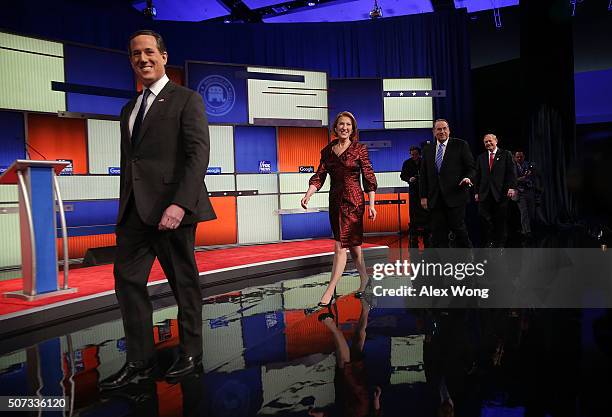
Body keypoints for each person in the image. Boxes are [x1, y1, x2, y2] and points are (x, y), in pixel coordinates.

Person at [100, 30, 216, 390]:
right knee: (127, 283)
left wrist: (180, 204)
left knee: (184, 284)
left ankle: (191, 355)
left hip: (173, 210)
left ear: (164, 56)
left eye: (149, 52)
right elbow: (132, 163)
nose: (143, 59)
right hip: (135, 213)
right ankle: (139, 362)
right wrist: (124, 209)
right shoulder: (128, 109)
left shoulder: (186, 99)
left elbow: (198, 155)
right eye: (135, 54)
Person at [301, 111, 377, 307]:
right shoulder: (327, 151)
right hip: (335, 201)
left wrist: (371, 204)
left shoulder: (360, 148)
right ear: (335, 128)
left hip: (354, 202)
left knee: (340, 245)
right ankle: (365, 280)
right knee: (353, 245)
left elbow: (368, 177)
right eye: (341, 124)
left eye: (348, 125)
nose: (345, 127)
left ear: (353, 129)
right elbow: (319, 176)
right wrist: (309, 193)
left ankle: (329, 290)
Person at [419, 119, 475, 248]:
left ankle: (469, 259)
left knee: (459, 230)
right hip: (435, 198)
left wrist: (467, 178)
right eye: (439, 129)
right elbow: (424, 175)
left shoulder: (461, 145)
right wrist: (423, 197)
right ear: (434, 132)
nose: (442, 131)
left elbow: (471, 168)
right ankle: (443, 264)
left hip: (455, 196)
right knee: (438, 234)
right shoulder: (428, 149)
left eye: (444, 128)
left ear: (449, 130)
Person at [473, 134, 517, 247]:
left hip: (501, 193)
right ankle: (490, 240)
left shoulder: (506, 154)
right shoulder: (481, 157)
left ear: (496, 141)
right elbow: (477, 176)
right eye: (485, 142)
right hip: (484, 193)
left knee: (500, 219)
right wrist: (476, 192)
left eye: (490, 141)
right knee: (484, 217)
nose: (488, 143)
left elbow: (511, 172)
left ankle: (500, 242)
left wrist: (512, 187)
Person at [400, 145, 430, 247]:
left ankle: (427, 237)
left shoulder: (424, 162)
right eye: (412, 155)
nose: (414, 156)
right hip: (413, 192)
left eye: (416, 154)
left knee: (426, 213)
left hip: (425, 192)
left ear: (419, 154)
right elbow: (402, 176)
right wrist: (410, 179)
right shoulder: (407, 163)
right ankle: (414, 237)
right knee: (413, 215)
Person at [513, 150, 536, 239]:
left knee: (530, 211)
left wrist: (532, 171)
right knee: (524, 212)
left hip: (529, 191)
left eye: (521, 156)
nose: (519, 158)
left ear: (524, 157)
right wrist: (522, 178)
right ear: (515, 158)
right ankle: (527, 231)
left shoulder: (527, 164)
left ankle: (525, 229)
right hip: (519, 192)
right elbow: (512, 180)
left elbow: (534, 172)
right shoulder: (512, 167)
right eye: (517, 157)